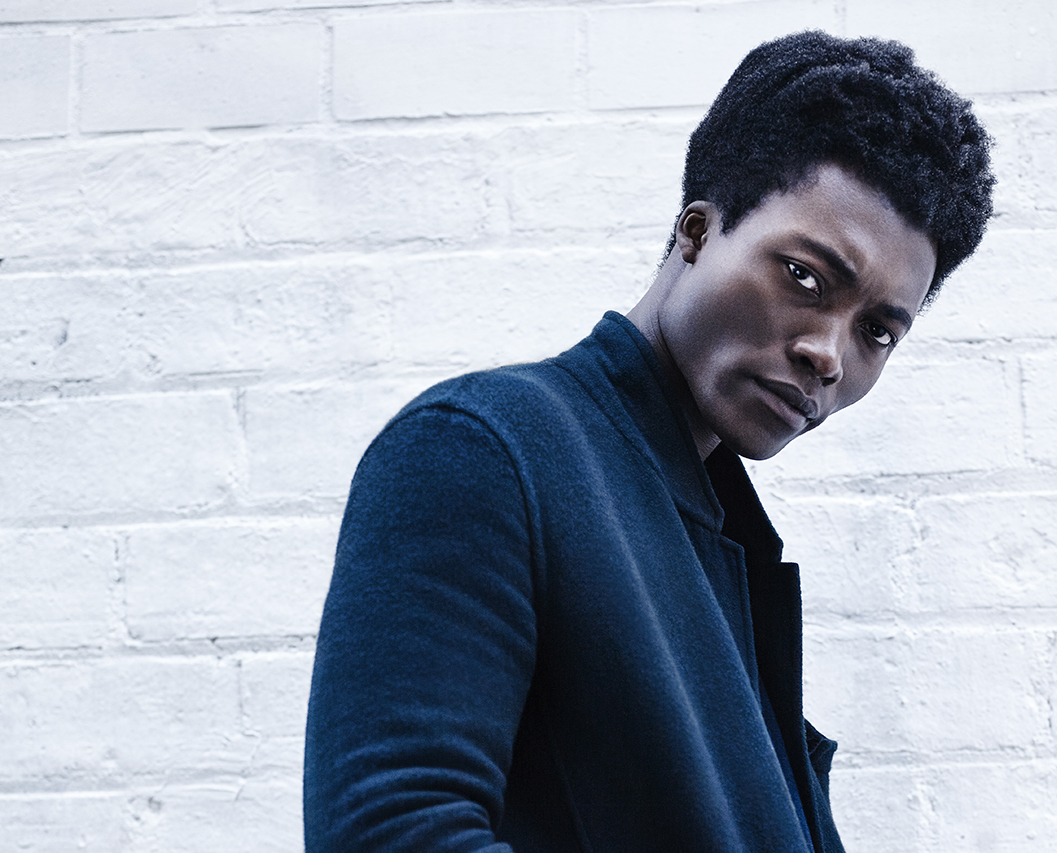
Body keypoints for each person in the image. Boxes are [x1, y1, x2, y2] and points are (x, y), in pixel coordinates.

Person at [304, 30, 994, 852]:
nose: (829, 354)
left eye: (878, 331)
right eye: (805, 277)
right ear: (696, 232)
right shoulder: (483, 451)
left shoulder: (730, 549)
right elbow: (392, 832)